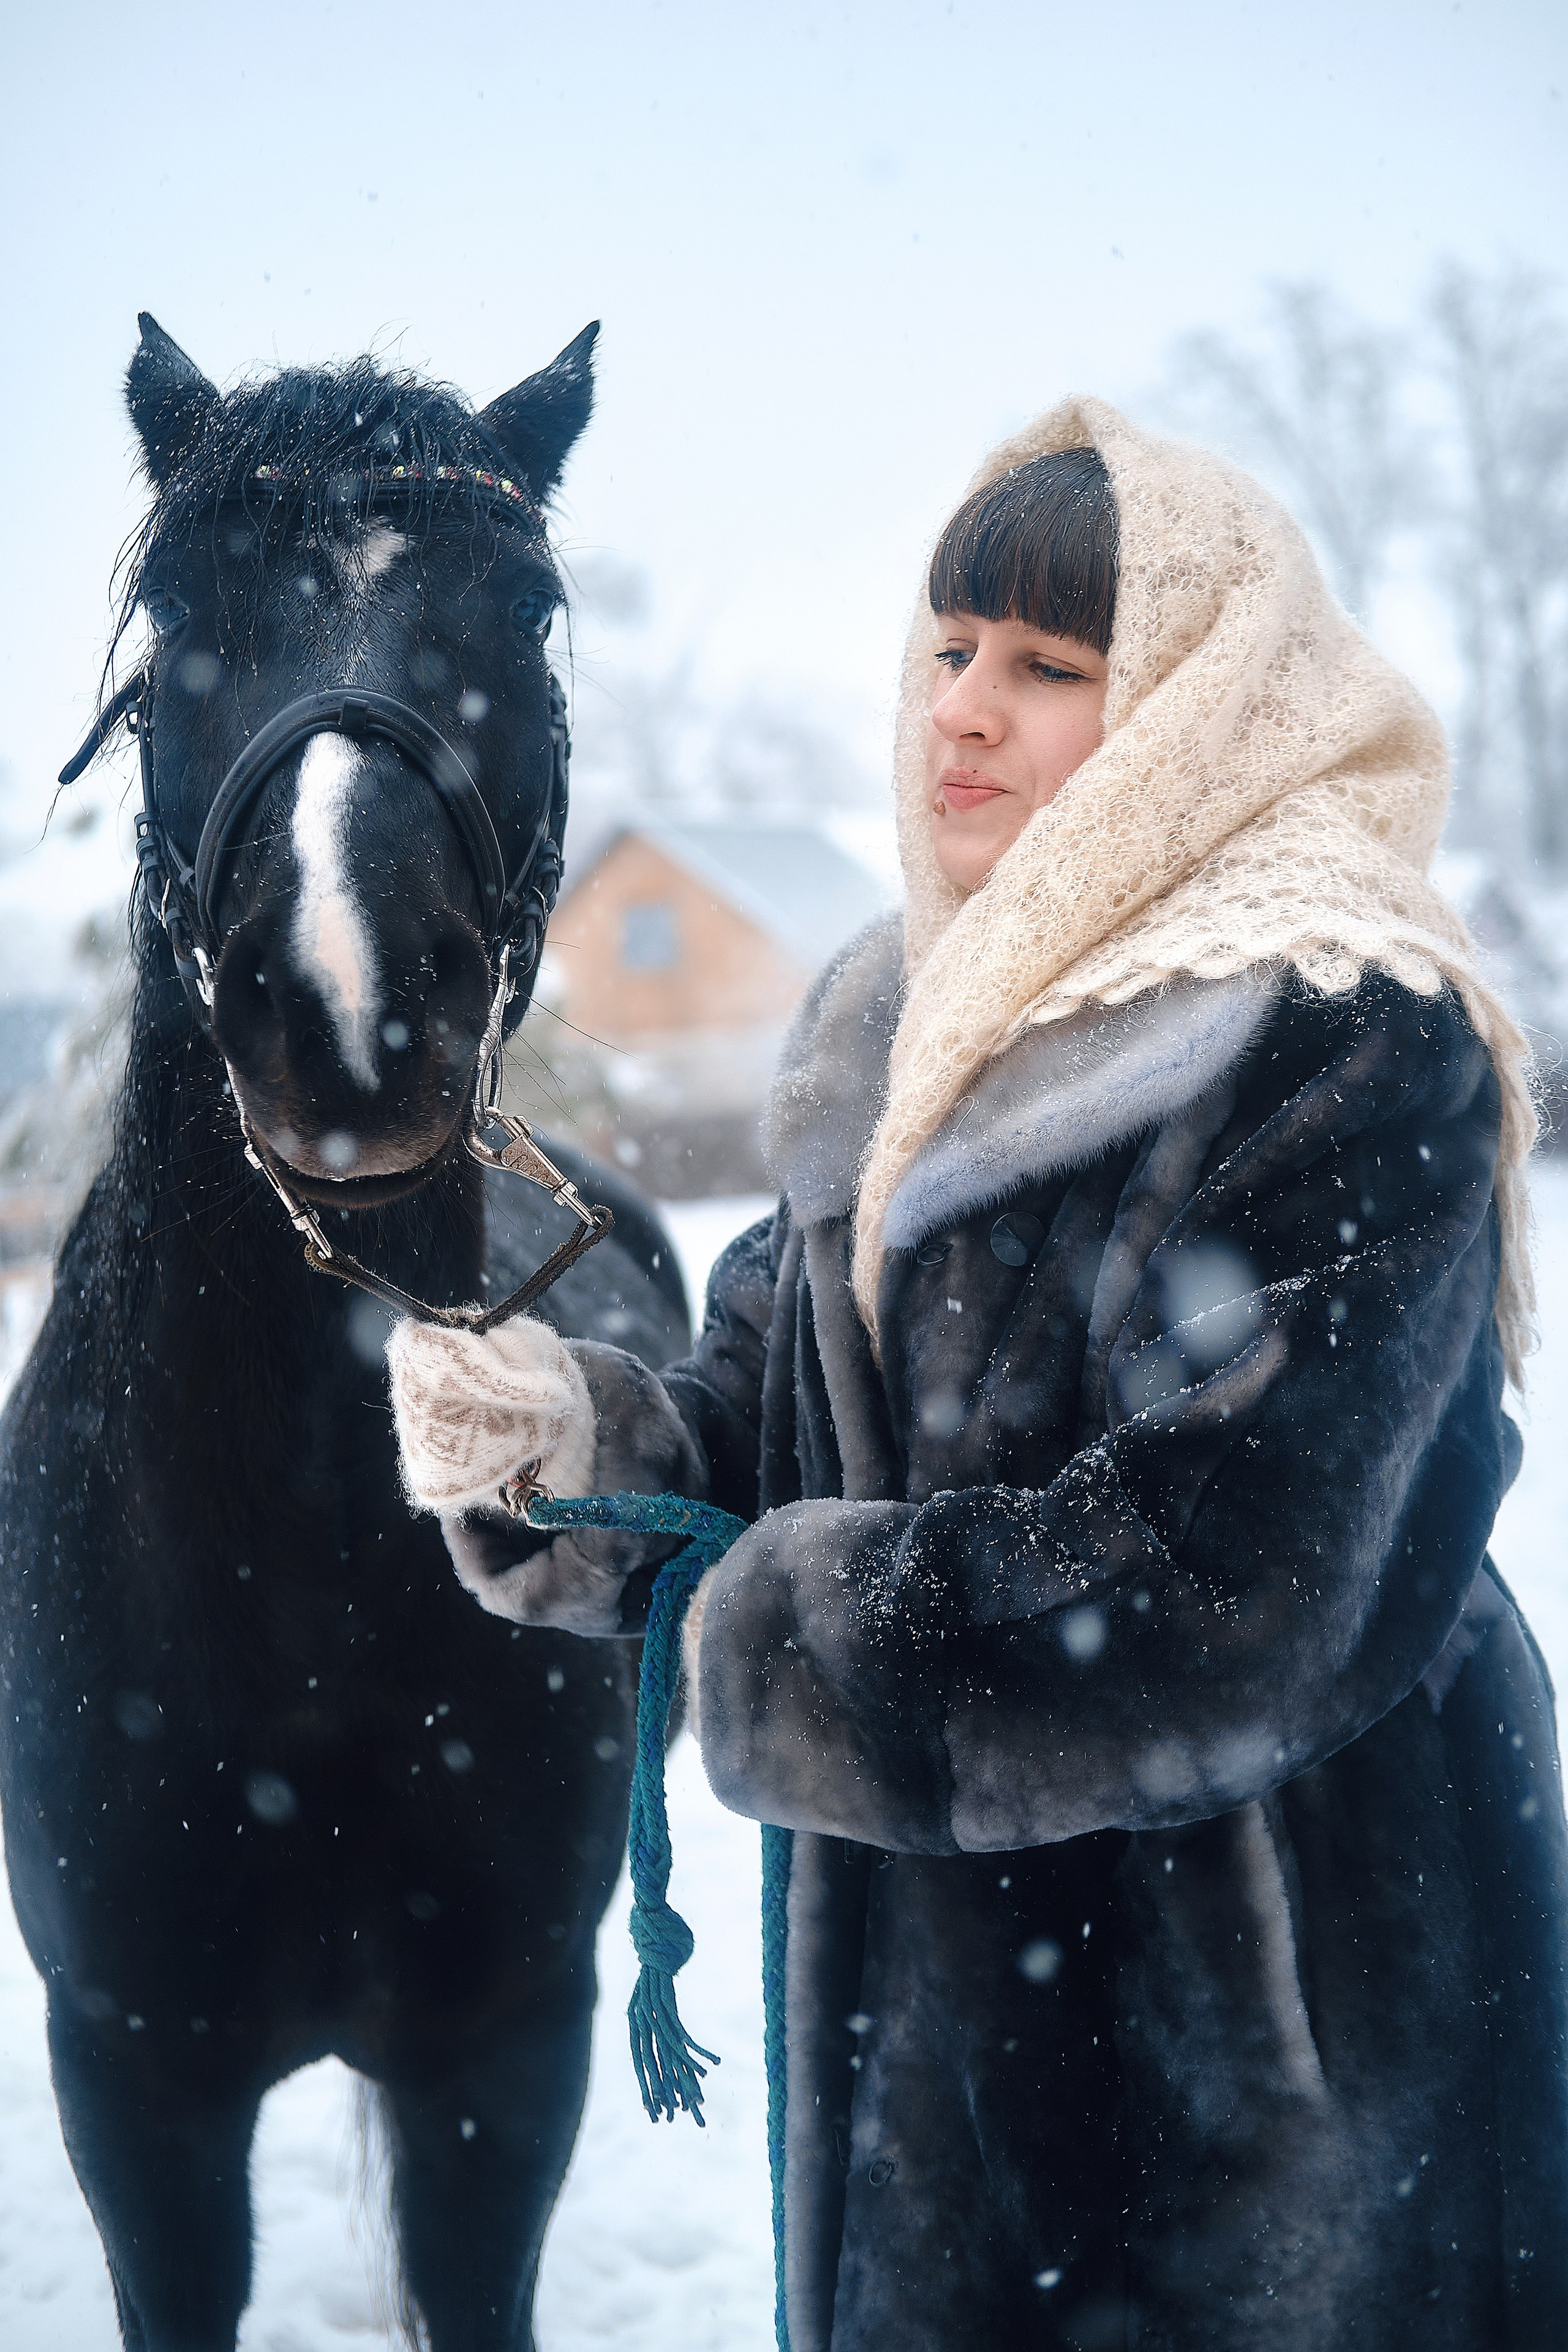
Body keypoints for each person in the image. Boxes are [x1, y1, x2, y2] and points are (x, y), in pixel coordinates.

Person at [386, 400, 1568, 2351]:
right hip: (945, 2005)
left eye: (1048, 667)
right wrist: (572, 1455)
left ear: (1202, 710)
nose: (962, 710)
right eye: (949, 651)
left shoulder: (1350, 1022)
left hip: (1281, 1984)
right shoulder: (896, 1020)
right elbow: (773, 1417)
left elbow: (1241, 1573)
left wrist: (796, 1641)